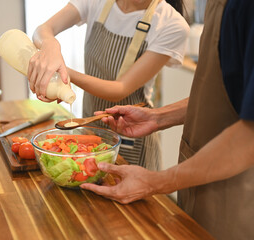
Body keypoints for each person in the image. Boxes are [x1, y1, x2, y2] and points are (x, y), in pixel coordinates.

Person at [80, 0, 254, 239]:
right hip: (196, 176)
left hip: (235, 192)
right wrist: (158, 117)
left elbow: (249, 135)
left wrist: (158, 181)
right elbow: (225, 96)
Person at [27, 0, 189, 170]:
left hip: (131, 138)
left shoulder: (172, 24)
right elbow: (42, 30)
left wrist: (61, 71)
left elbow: (119, 89)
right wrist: (50, 46)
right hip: (89, 128)